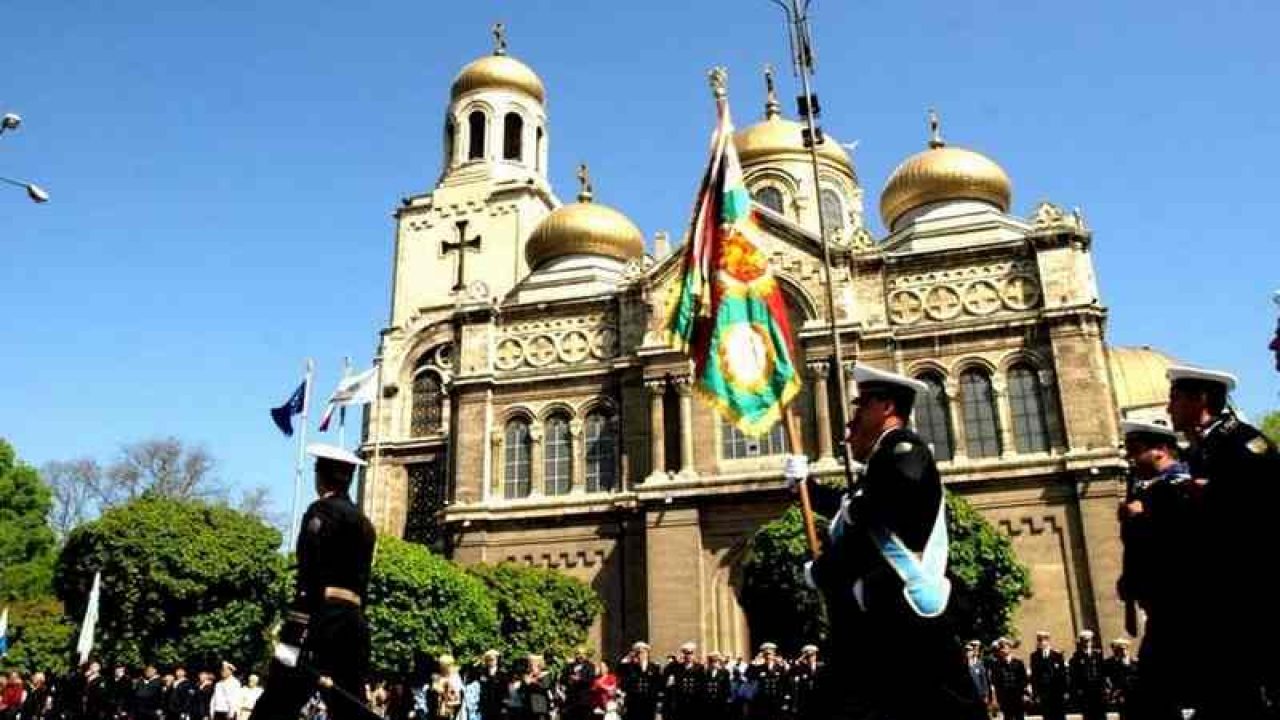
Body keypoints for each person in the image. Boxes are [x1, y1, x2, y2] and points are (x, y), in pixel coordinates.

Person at [787, 365, 986, 720]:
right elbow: (853, 508)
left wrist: (822, 571)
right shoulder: (880, 466)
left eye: (862, 406)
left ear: (886, 407)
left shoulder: (903, 450)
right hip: (882, 615)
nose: (854, 421)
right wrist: (804, 486)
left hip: (904, 612)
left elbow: (872, 521)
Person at [1167, 364, 1280, 719]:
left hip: (1250, 588)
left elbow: (1267, 493)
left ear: (1200, 399)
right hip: (1218, 593)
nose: (1169, 408)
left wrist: (1212, 491)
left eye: (1175, 399)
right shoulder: (1200, 449)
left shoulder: (1241, 440)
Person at [249, 444, 377, 720]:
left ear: (320, 477)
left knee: (279, 693)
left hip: (316, 617)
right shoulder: (365, 524)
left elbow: (310, 565)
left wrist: (297, 620)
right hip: (354, 622)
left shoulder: (321, 511)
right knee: (350, 701)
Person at [1116, 418, 1195, 719]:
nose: (1130, 458)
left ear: (1160, 449)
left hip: (1185, 605)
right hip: (1161, 607)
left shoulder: (1180, 483)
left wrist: (1147, 513)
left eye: (1136, 451)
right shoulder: (1142, 488)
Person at [1028, 632, 1067, 720]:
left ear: (1048, 641)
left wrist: (1065, 691)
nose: (1041, 642)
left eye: (1044, 640)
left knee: (1059, 715)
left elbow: (1063, 674)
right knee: (1047, 715)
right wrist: (1035, 694)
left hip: (1056, 691)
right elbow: (1034, 676)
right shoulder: (1034, 656)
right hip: (1043, 692)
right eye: (1039, 640)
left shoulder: (1057, 655)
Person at [617, 642, 661, 720]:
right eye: (638, 653)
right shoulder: (631, 667)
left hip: (649, 703)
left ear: (647, 653)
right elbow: (620, 670)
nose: (641, 655)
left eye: (643, 652)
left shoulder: (654, 667)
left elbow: (657, 684)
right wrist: (629, 657)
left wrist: (656, 699)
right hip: (633, 703)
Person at [1069, 632, 1106, 720]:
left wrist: (1104, 688)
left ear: (1092, 642)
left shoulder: (1097, 655)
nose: (1086, 643)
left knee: (1100, 714)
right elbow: (1074, 676)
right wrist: (1077, 690)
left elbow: (1103, 673)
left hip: (1098, 690)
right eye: (1084, 641)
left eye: (1089, 641)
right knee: (1088, 714)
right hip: (1085, 690)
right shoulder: (1076, 657)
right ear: (1080, 642)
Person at [745, 643, 787, 720]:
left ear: (774, 654)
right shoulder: (759, 667)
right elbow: (748, 675)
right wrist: (754, 663)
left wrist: (785, 700)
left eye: (770, 654)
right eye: (766, 654)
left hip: (776, 698)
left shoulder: (780, 667)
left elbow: (784, 683)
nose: (768, 656)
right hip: (762, 699)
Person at [988, 639, 1028, 720]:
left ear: (1009, 648)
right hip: (1005, 698)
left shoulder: (1018, 662)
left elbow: (1024, 679)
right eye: (1000, 648)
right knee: (1008, 717)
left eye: (1004, 647)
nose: (1002, 650)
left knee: (1019, 717)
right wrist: (998, 698)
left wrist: (1023, 693)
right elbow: (995, 681)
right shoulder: (996, 665)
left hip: (1017, 696)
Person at [661, 643, 702, 720]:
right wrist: (676, 660)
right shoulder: (677, 667)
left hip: (695, 702)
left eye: (691, 653)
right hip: (680, 703)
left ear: (693, 654)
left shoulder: (699, 668)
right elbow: (667, 670)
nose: (688, 656)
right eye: (686, 653)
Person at [1102, 640, 1137, 720]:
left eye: (1125, 649)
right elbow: (1113, 679)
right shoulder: (1115, 664)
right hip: (1122, 694)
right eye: (1120, 650)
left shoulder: (1134, 662)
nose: (1123, 651)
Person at [787, 646, 820, 720]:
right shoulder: (801, 667)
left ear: (816, 655)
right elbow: (791, 671)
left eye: (813, 655)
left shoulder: (820, 665)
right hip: (804, 697)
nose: (811, 658)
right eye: (808, 656)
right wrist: (801, 658)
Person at [471, 651, 506, 720]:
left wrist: (504, 706)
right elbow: (472, 673)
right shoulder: (482, 672)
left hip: (498, 705)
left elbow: (504, 690)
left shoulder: (502, 673)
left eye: (492, 659)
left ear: (497, 660)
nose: (490, 661)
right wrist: (479, 662)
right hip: (485, 705)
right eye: (488, 659)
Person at [699, 653, 732, 720]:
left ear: (718, 662)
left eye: (715, 661)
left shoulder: (724, 672)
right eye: (711, 662)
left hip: (720, 700)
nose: (713, 664)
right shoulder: (705, 673)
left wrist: (727, 698)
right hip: (708, 701)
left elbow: (727, 686)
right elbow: (703, 686)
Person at [961, 641, 991, 711]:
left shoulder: (979, 665)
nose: (968, 652)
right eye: (966, 650)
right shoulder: (962, 667)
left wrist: (986, 695)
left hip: (980, 697)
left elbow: (984, 681)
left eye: (970, 650)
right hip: (967, 699)